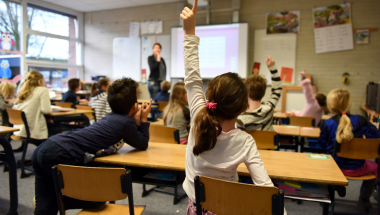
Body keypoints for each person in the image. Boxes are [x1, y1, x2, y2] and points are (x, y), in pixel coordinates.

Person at [179, 3, 286, 214]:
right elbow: (265, 187)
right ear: (243, 108)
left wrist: (189, 31)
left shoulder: (198, 118)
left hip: (196, 210)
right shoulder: (245, 141)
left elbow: (192, 76)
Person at [31, 77, 152, 215]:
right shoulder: (125, 123)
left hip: (46, 147)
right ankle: (53, 201)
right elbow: (142, 144)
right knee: (97, 199)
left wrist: (134, 120)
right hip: (60, 153)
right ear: (134, 106)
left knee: (43, 208)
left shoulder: (109, 117)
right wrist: (143, 119)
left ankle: (46, 203)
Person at [318, 88, 380, 210]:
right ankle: (364, 199)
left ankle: (330, 192)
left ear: (330, 106)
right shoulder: (360, 120)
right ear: (348, 104)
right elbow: (376, 136)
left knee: (323, 162)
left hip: (335, 169)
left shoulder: (326, 123)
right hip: (358, 168)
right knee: (376, 168)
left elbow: (322, 145)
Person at [236, 56, 282, 131]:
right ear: (263, 94)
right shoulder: (269, 109)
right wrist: (272, 67)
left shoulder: (240, 117)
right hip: (267, 142)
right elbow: (277, 89)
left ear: (246, 93)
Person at [13, 70, 52, 140]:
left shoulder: (24, 89)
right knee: (56, 127)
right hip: (33, 129)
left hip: (20, 127)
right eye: (44, 80)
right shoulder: (43, 90)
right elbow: (46, 110)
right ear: (40, 81)